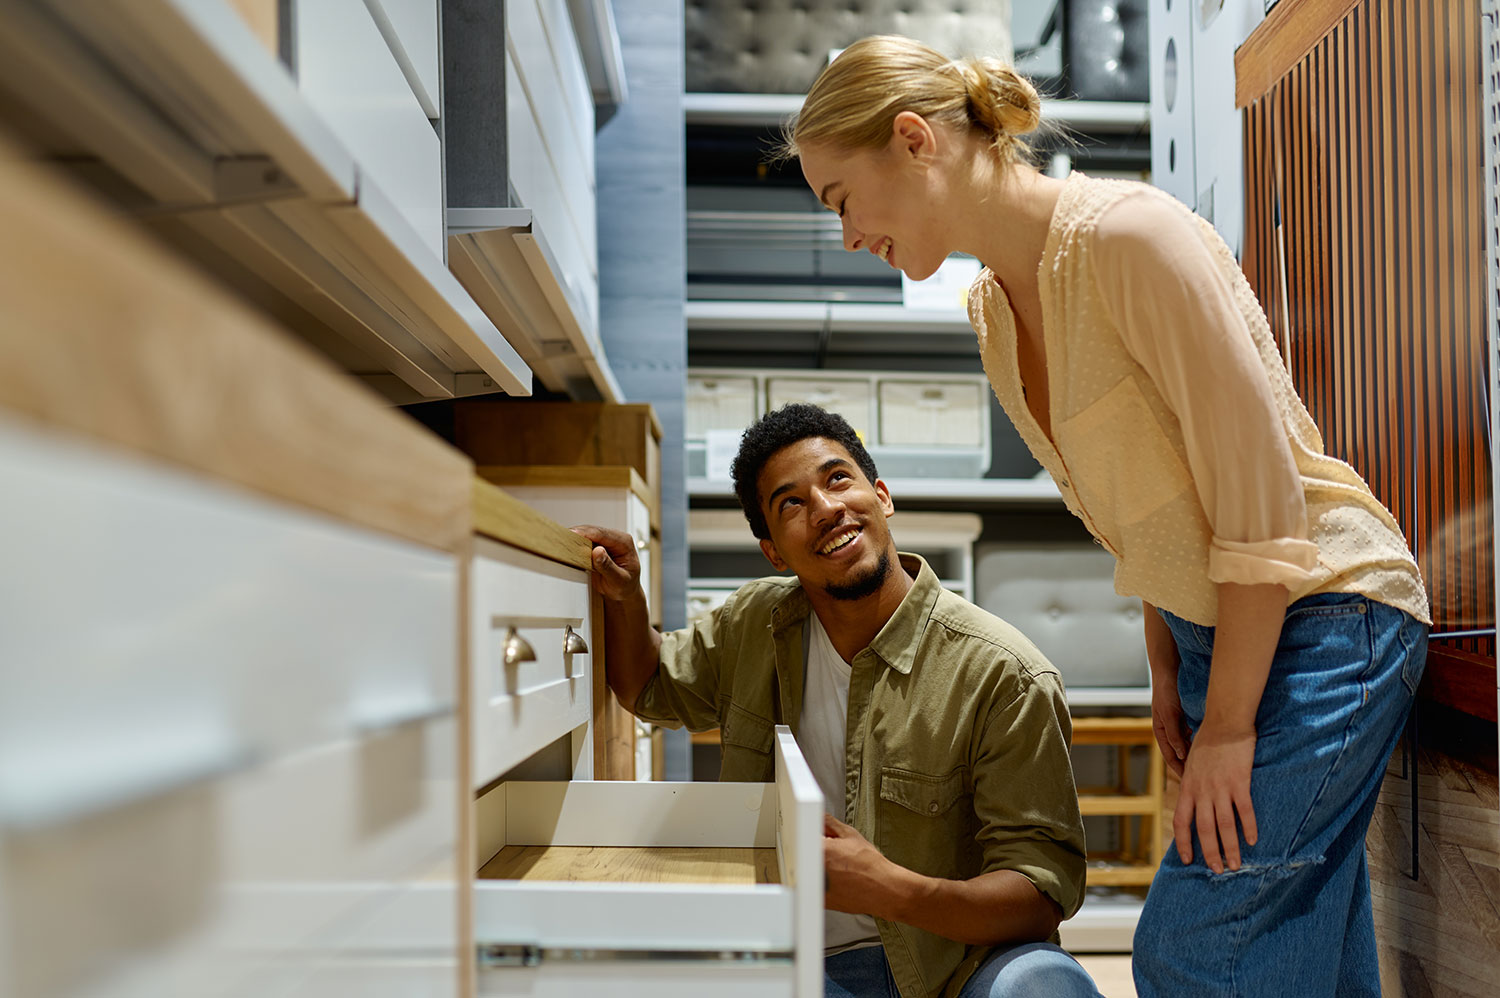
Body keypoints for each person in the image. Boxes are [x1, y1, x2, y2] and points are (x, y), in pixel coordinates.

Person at [779, 34, 1431, 998]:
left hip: (1328, 619)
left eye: (841, 201)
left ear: (914, 140)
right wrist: (1171, 662)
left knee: (1196, 951)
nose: (847, 236)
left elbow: (1260, 498)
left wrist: (1233, 725)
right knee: (1303, 958)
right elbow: (1143, 506)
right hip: (1225, 637)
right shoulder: (994, 315)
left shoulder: (1132, 237)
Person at [575, 403, 1101, 998]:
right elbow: (651, 684)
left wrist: (890, 888)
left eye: (838, 479)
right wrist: (625, 596)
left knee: (1043, 986)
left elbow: (1040, 895)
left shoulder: (1005, 673)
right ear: (774, 550)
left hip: (956, 967)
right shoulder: (754, 624)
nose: (826, 509)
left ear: (881, 495)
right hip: (800, 960)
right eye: (791, 504)